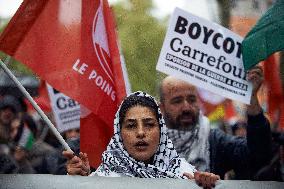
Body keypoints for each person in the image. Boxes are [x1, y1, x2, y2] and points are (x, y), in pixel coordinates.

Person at [63, 91, 220, 188]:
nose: (140, 133)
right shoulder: (101, 180)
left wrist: (207, 186)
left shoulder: (186, 174)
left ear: (161, 131)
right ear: (119, 134)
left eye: (149, 124)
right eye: (131, 126)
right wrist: (78, 184)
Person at [159, 66, 272, 179]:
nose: (186, 108)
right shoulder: (151, 142)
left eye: (192, 99)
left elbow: (258, 156)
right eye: (177, 101)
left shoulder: (214, 140)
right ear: (162, 108)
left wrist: (251, 99)